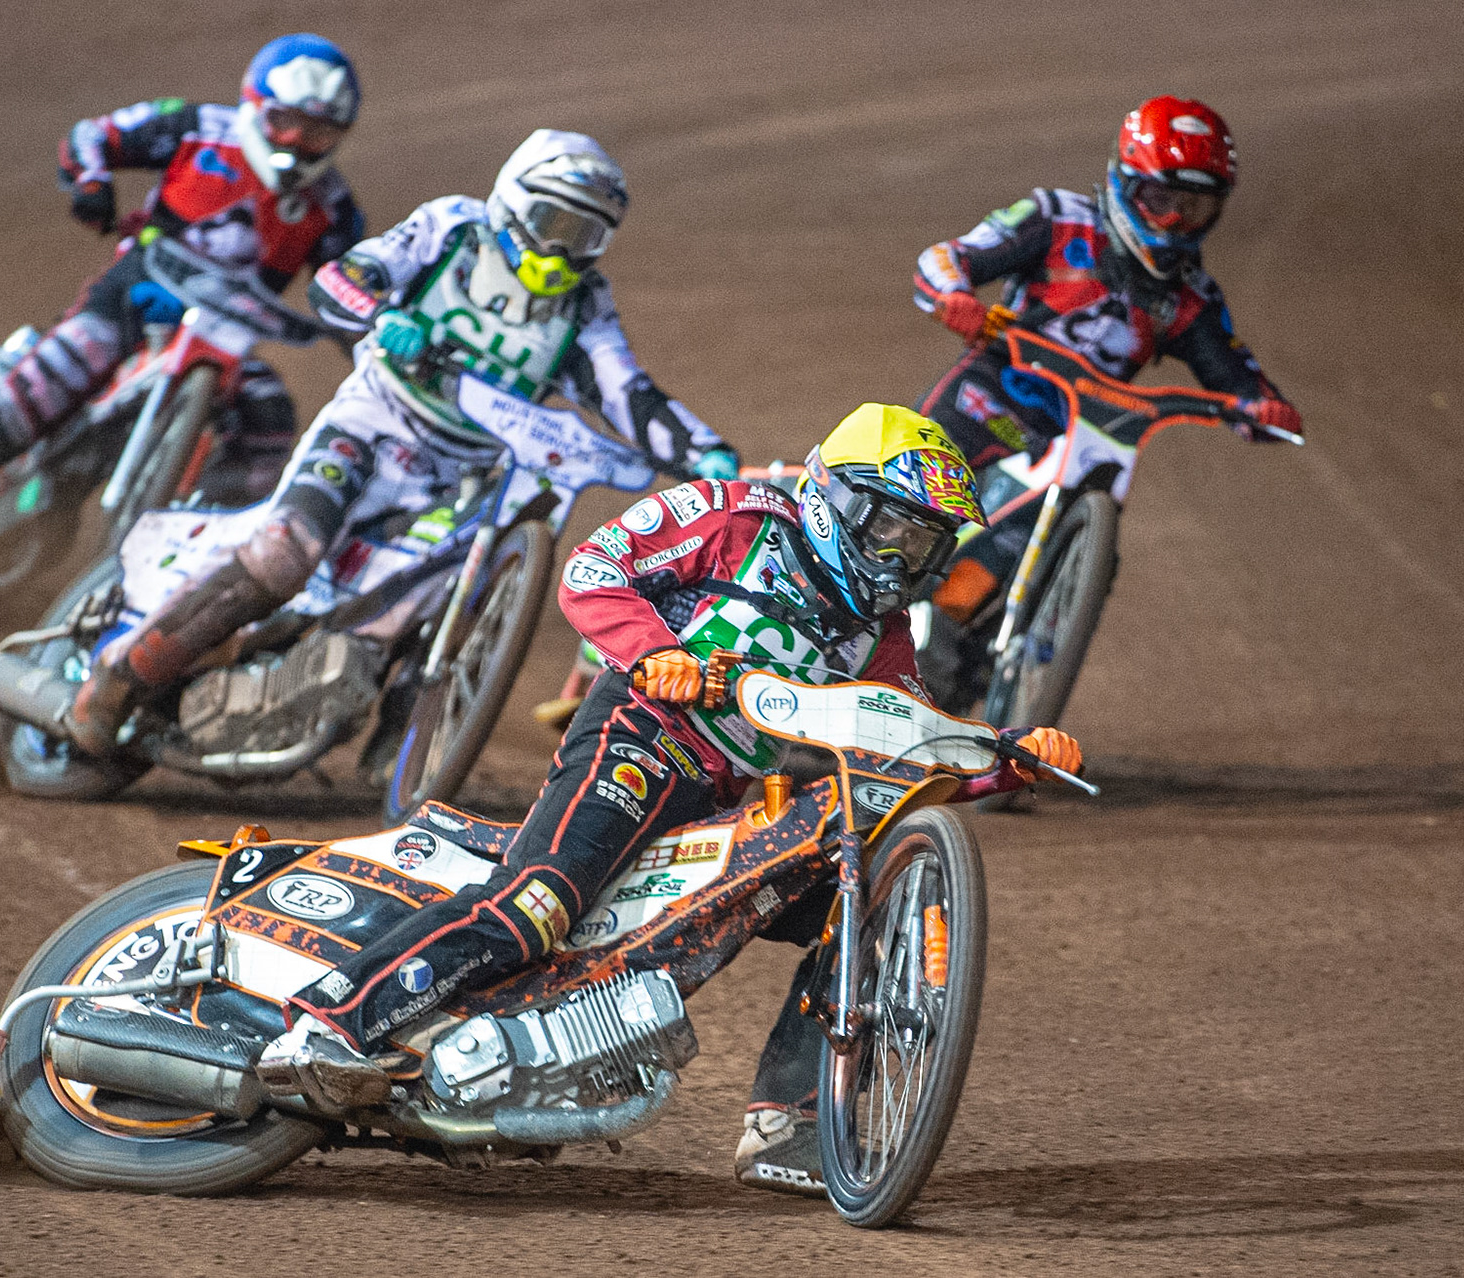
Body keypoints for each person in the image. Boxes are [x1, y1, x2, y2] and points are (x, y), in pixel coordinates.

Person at [254, 404, 1084, 1202]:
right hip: (637, 737)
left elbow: (903, 742)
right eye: (896, 531)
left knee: (851, 901)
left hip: (720, 791)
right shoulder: (734, 516)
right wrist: (655, 652)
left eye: (927, 543)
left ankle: (787, 1123)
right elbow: (591, 569)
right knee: (538, 905)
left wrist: (1007, 761)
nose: (907, 559)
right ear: (840, 499)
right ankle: (332, 1024)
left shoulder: (882, 630)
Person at [62, 127, 740, 754]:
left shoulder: (585, 304)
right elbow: (343, 279)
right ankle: (119, 675)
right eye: (553, 224)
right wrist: (384, 317)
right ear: (511, 204)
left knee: (438, 591)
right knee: (284, 554)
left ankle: (363, 712)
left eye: (585, 236)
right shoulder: (451, 230)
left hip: (463, 474)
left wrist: (707, 456)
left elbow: (627, 391)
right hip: (371, 427)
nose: (564, 249)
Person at [0, 34, 365, 587]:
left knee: (271, 420)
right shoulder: (198, 129)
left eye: (317, 132)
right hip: (131, 304)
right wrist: (93, 184)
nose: (297, 142)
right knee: (40, 389)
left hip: (225, 346)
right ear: (253, 106)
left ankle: (190, 573)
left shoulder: (333, 209)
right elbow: (93, 135)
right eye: (285, 122)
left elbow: (350, 290)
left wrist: (370, 337)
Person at [909, 95, 1302, 699]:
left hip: (1077, 440)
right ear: (1123, 180)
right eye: (1160, 201)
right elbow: (945, 259)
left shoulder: (1191, 295)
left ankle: (977, 679)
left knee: (1057, 554)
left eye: (1193, 207)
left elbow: (1238, 377)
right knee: (901, 513)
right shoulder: (1056, 217)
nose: (1173, 222)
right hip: (986, 399)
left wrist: (1261, 409)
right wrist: (954, 295)